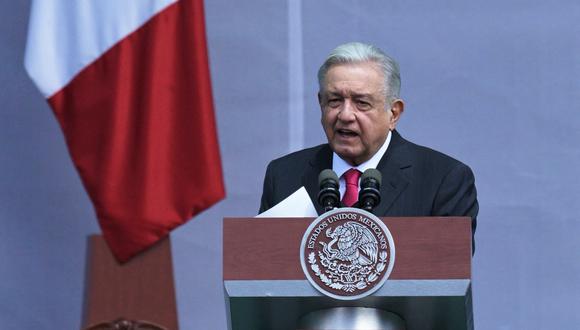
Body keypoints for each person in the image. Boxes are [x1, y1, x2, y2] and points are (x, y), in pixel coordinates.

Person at [259, 42, 478, 242]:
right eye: (334, 101)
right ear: (321, 104)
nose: (345, 115)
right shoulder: (284, 175)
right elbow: (261, 271)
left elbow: (447, 274)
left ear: (394, 113)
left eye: (361, 103)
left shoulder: (443, 179)